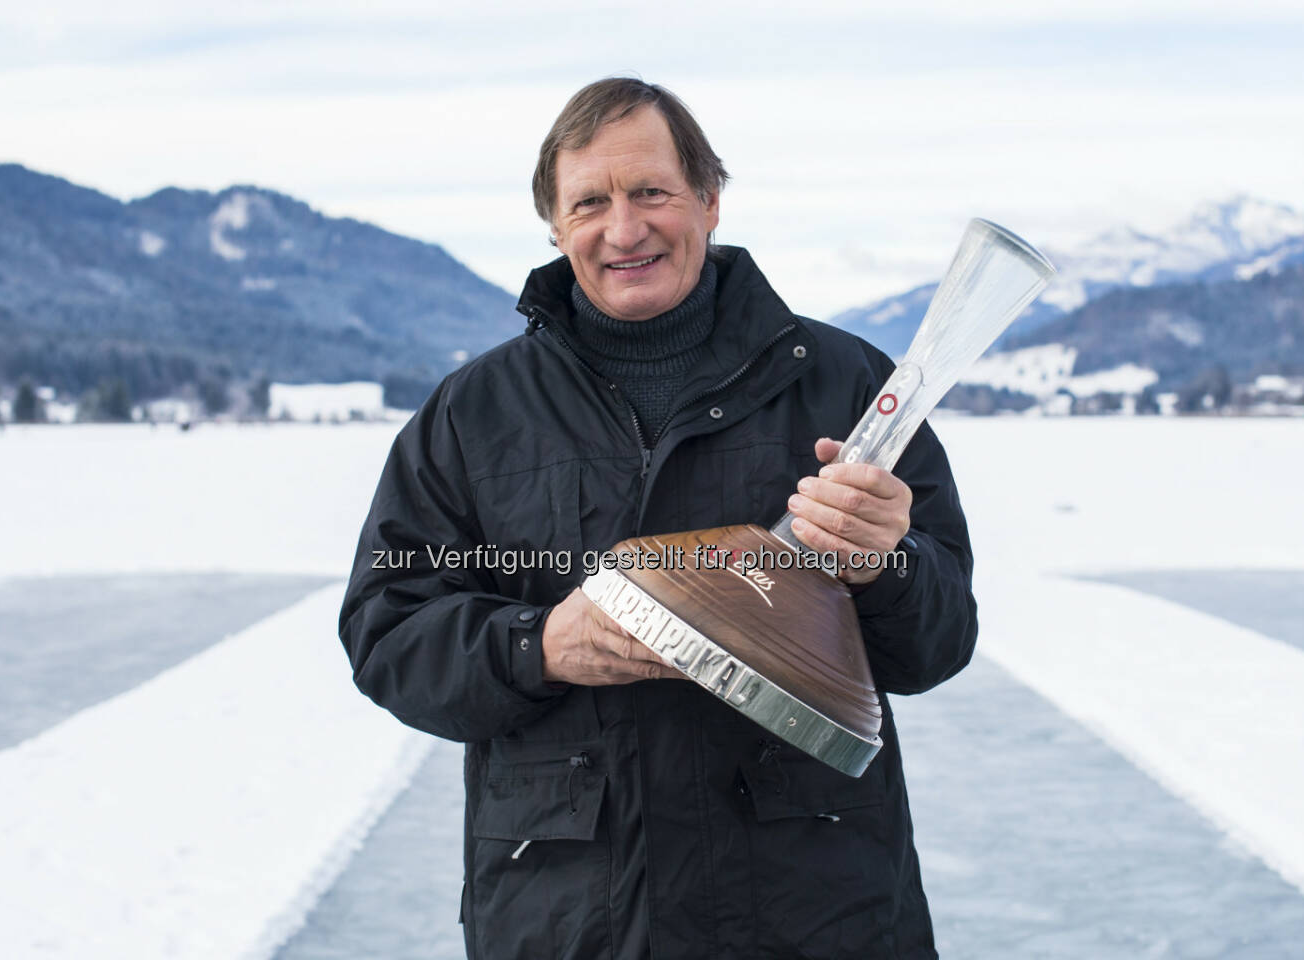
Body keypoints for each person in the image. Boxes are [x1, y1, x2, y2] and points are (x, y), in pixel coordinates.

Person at [339, 77, 977, 959]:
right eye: (590, 202)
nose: (624, 228)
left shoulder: (843, 384)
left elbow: (938, 645)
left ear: (710, 201)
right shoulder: (474, 413)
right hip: (569, 922)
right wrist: (539, 646)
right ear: (556, 228)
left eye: (651, 193)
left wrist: (884, 562)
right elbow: (386, 631)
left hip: (815, 913)